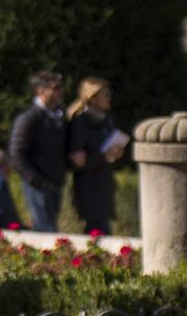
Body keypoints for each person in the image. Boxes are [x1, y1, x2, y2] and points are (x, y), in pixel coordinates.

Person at [7, 70, 68, 232]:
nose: (60, 91)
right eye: (56, 88)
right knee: (45, 230)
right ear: (40, 90)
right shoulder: (29, 118)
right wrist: (34, 179)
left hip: (54, 182)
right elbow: (16, 153)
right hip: (38, 185)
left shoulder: (57, 116)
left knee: (50, 228)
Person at [66, 77, 127, 235]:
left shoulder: (107, 120)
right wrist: (103, 156)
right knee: (96, 231)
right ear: (92, 98)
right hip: (88, 187)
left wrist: (116, 154)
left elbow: (109, 154)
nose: (109, 97)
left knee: (103, 229)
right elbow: (78, 161)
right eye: (105, 94)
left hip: (104, 183)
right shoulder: (80, 122)